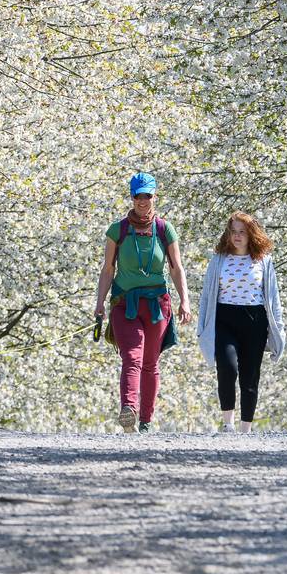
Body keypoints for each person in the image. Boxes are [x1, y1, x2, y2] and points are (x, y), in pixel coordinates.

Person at [91, 173, 190, 432]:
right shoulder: (118, 230)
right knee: (132, 357)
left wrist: (185, 301)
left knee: (149, 362)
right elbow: (107, 269)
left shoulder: (164, 229)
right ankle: (129, 410)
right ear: (131, 197)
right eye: (138, 196)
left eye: (148, 195)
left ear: (155, 196)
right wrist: (100, 302)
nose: (143, 201)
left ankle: (145, 420)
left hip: (157, 304)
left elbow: (176, 268)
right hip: (125, 303)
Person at [197, 211, 285, 432]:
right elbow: (207, 296)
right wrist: (203, 326)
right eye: (233, 232)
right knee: (227, 367)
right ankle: (228, 423)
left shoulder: (264, 261)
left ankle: (246, 429)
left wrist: (279, 329)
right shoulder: (218, 260)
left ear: (251, 234)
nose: (237, 236)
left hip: (254, 320)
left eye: (242, 232)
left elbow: (273, 297)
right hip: (224, 319)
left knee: (250, 375)